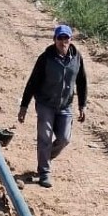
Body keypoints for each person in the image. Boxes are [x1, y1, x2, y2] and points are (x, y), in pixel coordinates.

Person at [18, 24, 88, 188]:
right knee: (45, 137)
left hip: (65, 106)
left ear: (71, 39)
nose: (63, 41)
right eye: (60, 38)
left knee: (64, 138)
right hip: (45, 104)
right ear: (54, 39)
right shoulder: (46, 58)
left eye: (66, 38)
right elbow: (32, 82)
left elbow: (82, 81)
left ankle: (45, 157)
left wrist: (82, 105)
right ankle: (44, 173)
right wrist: (24, 106)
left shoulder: (77, 57)